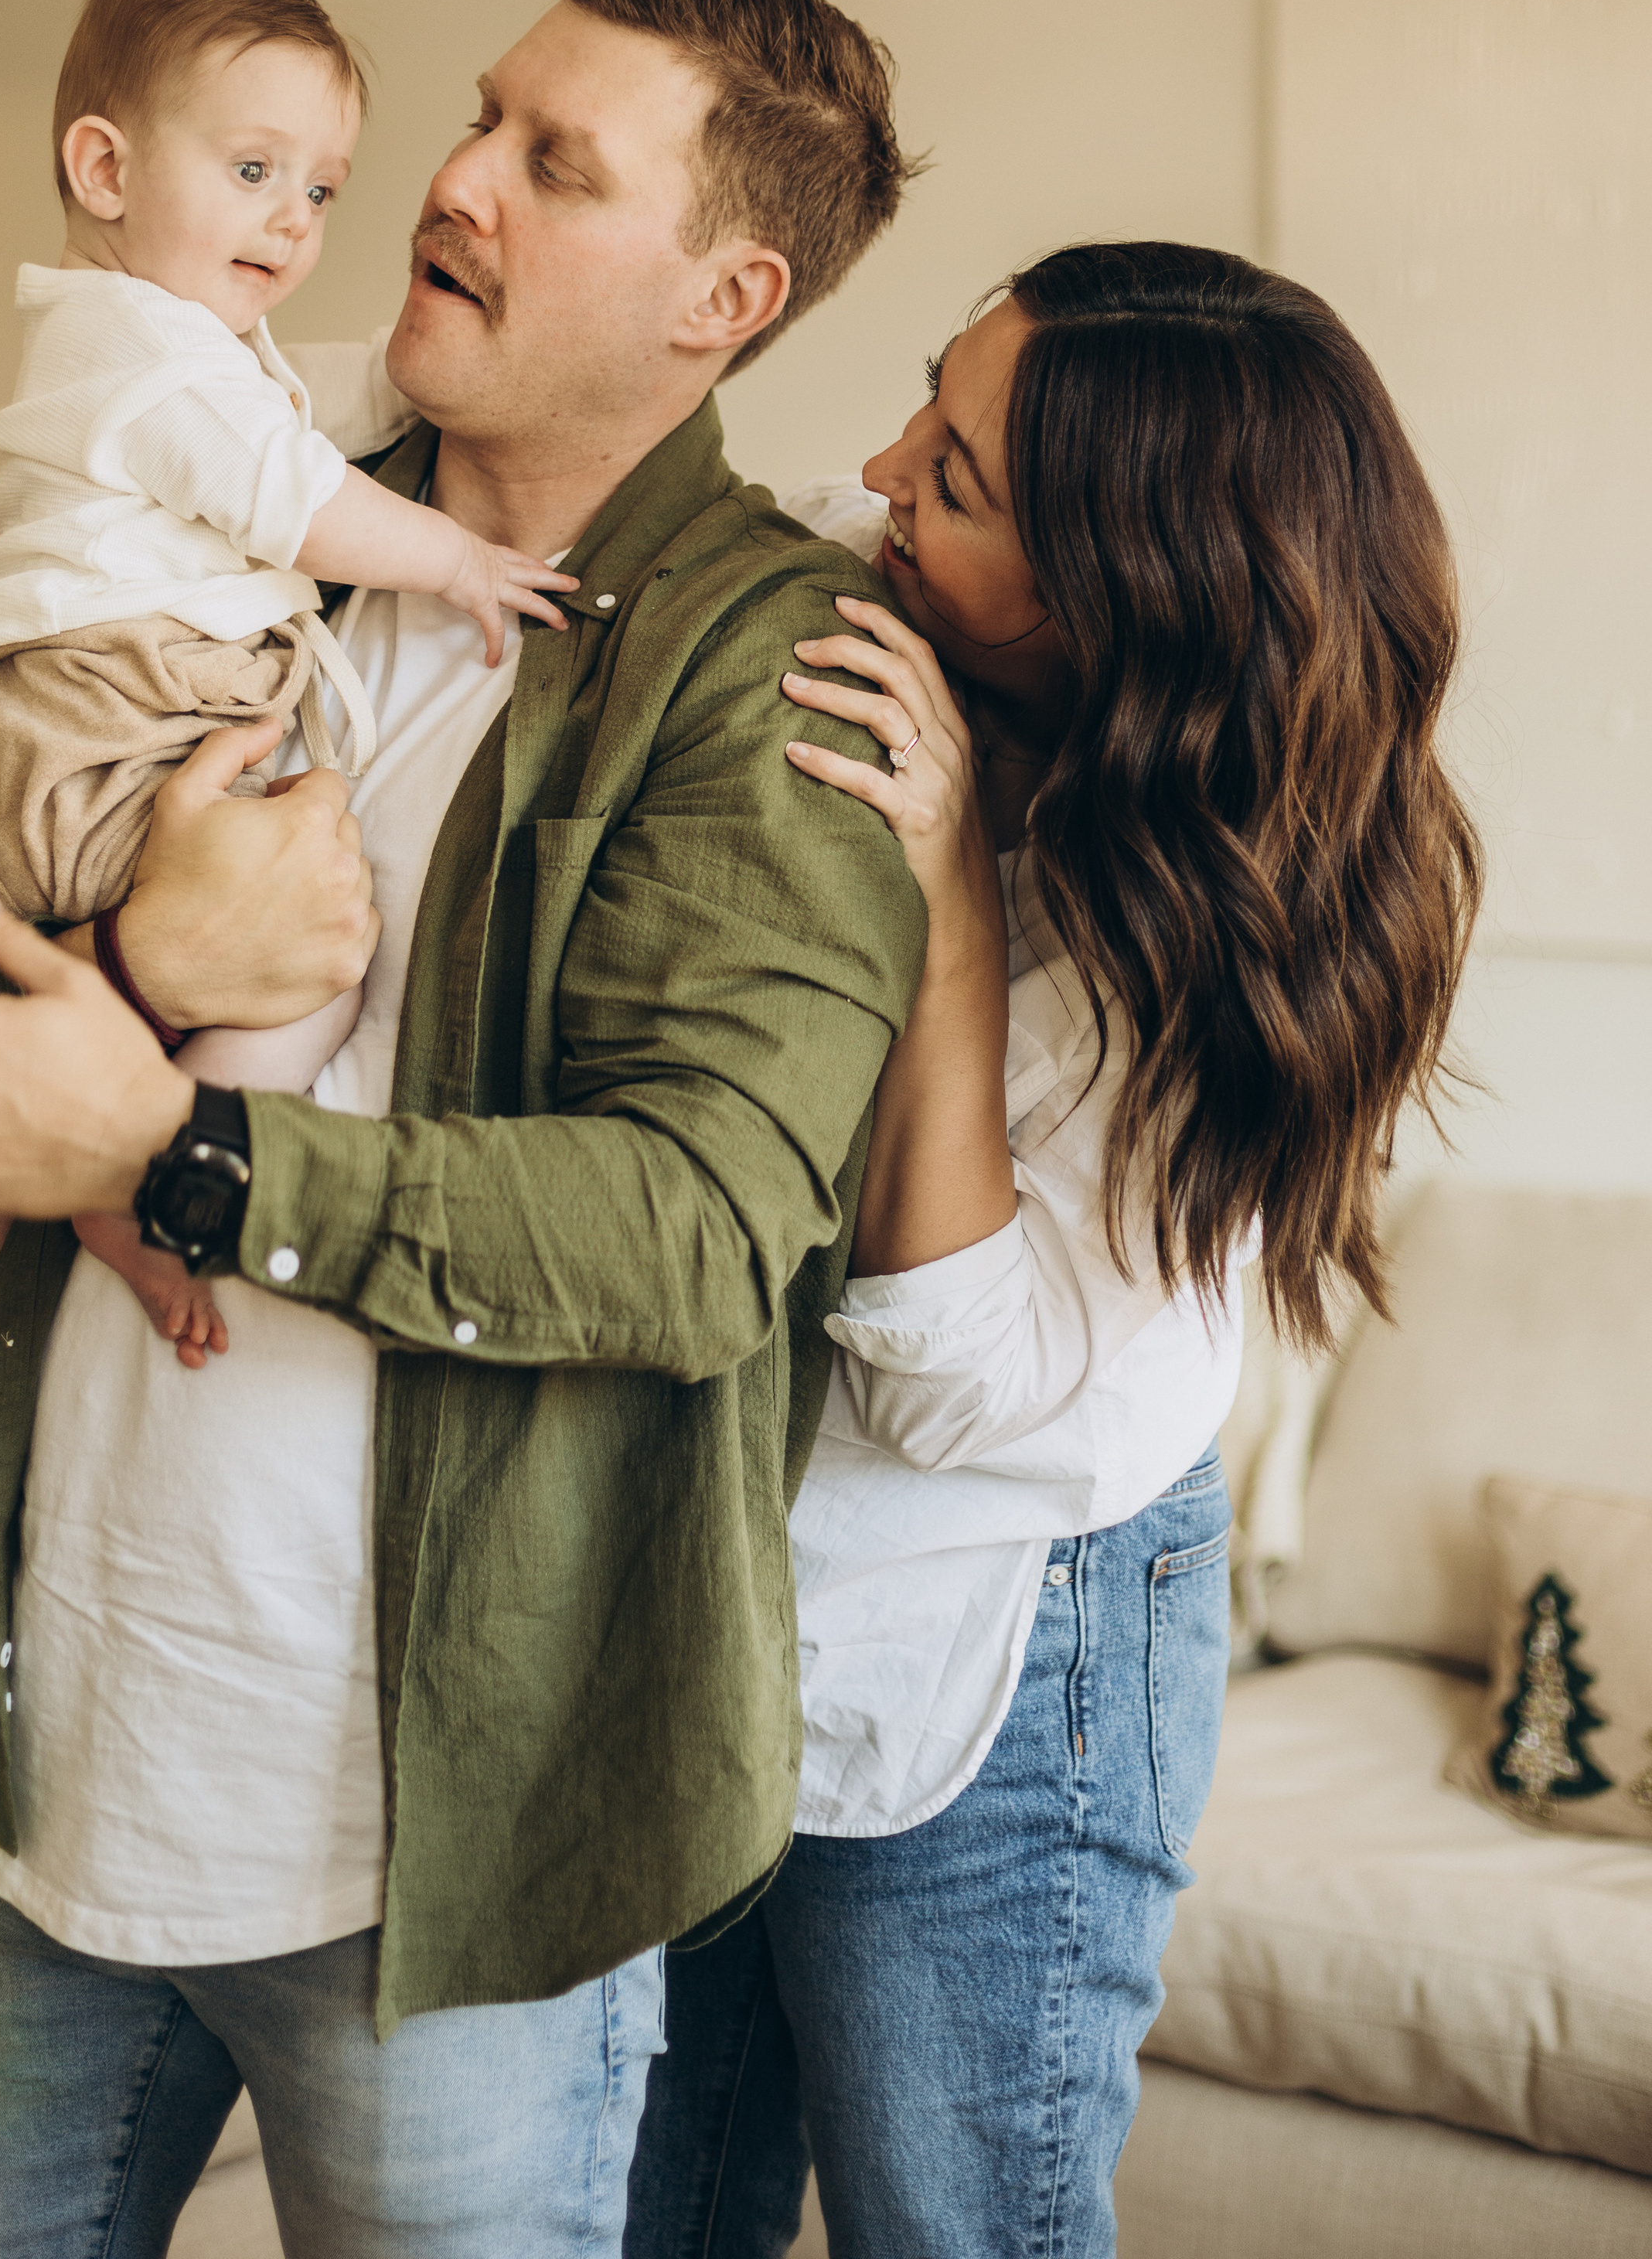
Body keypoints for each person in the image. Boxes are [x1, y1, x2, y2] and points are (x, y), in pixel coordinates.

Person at [0, 0, 931, 2259]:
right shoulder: (230, 477)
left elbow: (697, 1228)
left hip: (444, 1873)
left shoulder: (771, 668)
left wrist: (174, 1149)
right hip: (23, 1768)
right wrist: (135, 963)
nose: (455, 179)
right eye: (482, 118)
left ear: (721, 296)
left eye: (556, 160)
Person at [625, 242, 1483, 2259]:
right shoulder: (885, 581)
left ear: (1124, 596)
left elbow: (953, 1384)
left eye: (955, 477)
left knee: (963, 2232)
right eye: (932, 405)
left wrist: (946, 908)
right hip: (737, 1589)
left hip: (1021, 1636)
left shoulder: (1226, 927)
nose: (877, 471)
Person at [0, 0, 573, 1375]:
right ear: (105, 168)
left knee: (21, 994)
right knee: (313, 952)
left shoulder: (151, 342)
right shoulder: (156, 358)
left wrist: (437, 371)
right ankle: (143, 1178)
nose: (295, 220)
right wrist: (456, 558)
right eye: (254, 172)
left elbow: (304, 417)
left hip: (36, 744)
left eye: (321, 188)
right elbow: (294, 497)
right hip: (111, 726)